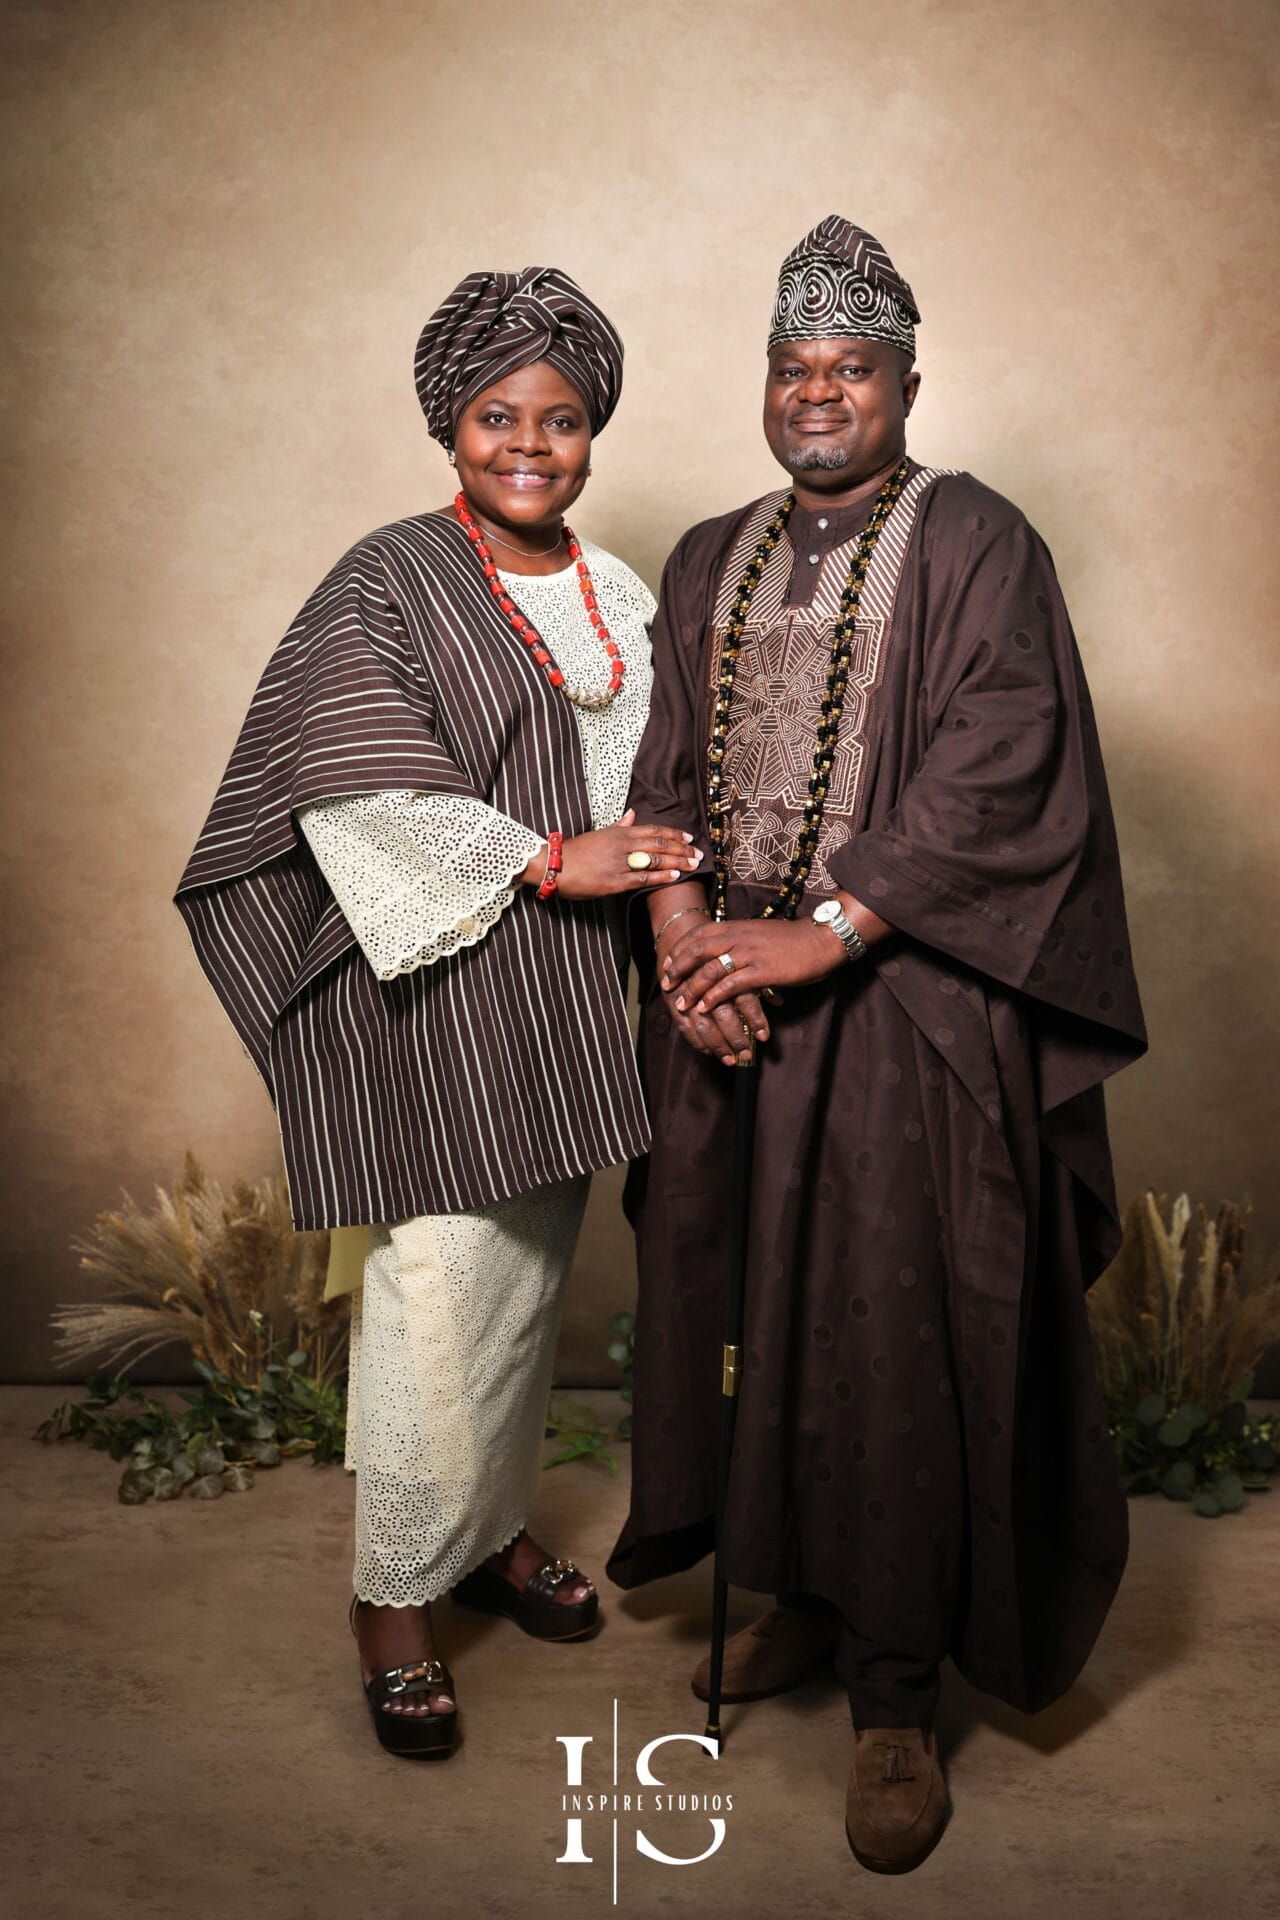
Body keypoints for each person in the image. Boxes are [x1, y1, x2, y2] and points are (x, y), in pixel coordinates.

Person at [606, 216, 1147, 1871]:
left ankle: (899, 1693)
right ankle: (811, 1601)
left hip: (911, 1010)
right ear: (765, 387)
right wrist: (687, 936)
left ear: (908, 381)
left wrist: (825, 928)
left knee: (896, 1332)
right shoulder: (709, 553)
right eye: (793, 366)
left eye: (851, 366)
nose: (818, 391)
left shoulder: (980, 540)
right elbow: (670, 771)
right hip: (735, 1015)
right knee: (749, 1305)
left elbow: (1003, 758)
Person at [175, 266, 703, 1759]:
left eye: (561, 418)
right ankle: (392, 1599)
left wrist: (656, 874)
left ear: (594, 432)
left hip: (565, 996)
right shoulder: (388, 578)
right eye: (496, 416)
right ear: (449, 427)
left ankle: (485, 1534)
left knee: (524, 1289)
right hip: (437, 986)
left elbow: (655, 770)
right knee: (435, 1295)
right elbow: (349, 775)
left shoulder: (616, 591)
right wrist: (548, 855)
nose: (529, 443)